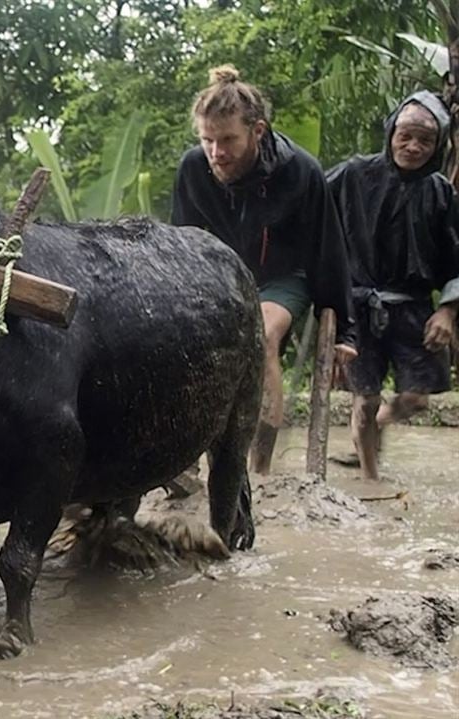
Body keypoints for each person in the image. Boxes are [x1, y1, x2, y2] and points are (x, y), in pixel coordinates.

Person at [172, 65, 357, 475]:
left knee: (261, 336)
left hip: (282, 278)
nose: (216, 153)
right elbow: (181, 245)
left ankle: (258, 468)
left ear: (257, 131)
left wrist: (346, 329)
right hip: (219, 278)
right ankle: (188, 458)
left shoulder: (300, 171)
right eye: (207, 141)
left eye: (227, 140)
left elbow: (328, 250)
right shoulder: (192, 169)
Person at [325, 90, 459, 480]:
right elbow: (309, 205)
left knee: (417, 399)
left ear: (437, 145)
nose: (413, 146)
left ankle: (376, 429)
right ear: (390, 134)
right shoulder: (353, 174)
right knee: (364, 401)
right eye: (405, 136)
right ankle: (370, 480)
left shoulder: (441, 194)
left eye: (425, 140)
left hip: (413, 307)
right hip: (358, 307)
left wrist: (448, 310)